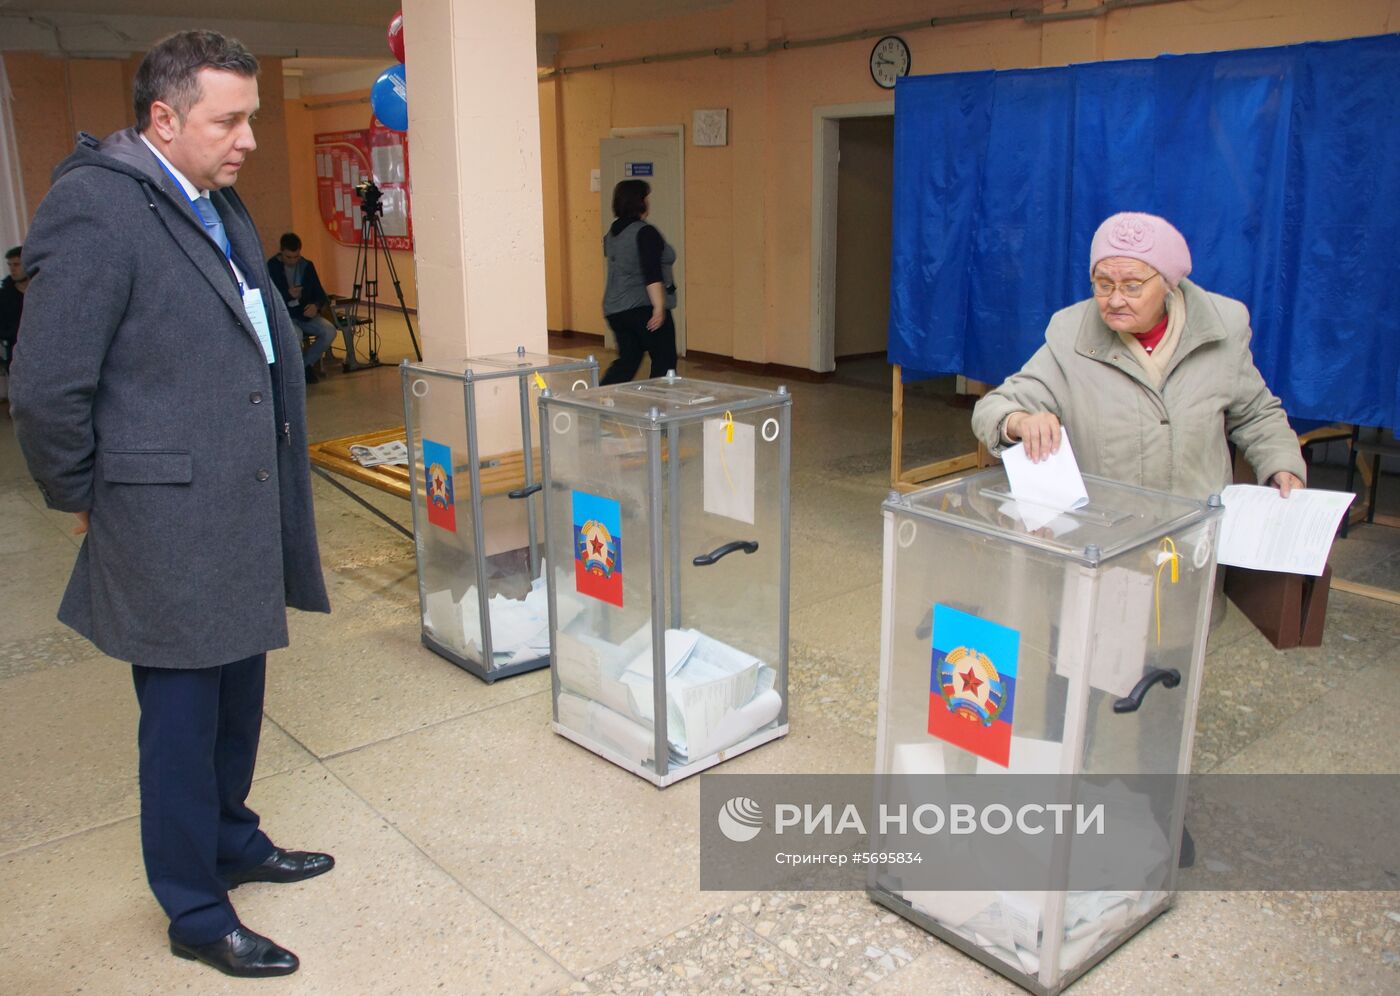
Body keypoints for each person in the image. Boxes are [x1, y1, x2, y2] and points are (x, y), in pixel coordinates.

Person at [10, 30, 332, 979]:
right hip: (165, 519)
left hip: (234, 507)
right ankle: (194, 909)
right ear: (163, 117)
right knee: (183, 724)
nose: (247, 140)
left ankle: (233, 838)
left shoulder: (209, 199)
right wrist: (79, 495)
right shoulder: (96, 209)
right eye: (229, 120)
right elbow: (45, 386)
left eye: (251, 119)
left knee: (238, 699)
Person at [971, 211, 1305, 500]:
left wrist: (1282, 465)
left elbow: (1257, 415)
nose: (1115, 300)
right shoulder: (1071, 337)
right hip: (1107, 540)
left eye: (1132, 286)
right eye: (1103, 285)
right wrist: (1019, 421)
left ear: (1169, 284)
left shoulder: (1219, 332)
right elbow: (993, 408)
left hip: (1194, 538)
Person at [600, 179, 678, 385]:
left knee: (628, 360)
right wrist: (659, 307)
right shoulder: (645, 232)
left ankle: (596, 400)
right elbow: (651, 272)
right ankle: (658, 408)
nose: (649, 202)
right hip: (642, 307)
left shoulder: (612, 233)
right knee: (665, 360)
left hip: (615, 309)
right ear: (640, 201)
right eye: (646, 198)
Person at [266, 231, 358, 381]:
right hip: (284, 316)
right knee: (296, 335)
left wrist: (315, 306)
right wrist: (288, 294)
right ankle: (293, 370)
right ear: (281, 252)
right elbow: (269, 297)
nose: (293, 261)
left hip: (305, 314)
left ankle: (303, 366)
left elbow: (320, 294)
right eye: (288, 257)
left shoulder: (306, 266)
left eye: (296, 257)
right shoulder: (272, 267)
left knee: (329, 331)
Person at [0, 245, 26, 392]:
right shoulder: (3, 296)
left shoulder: (44, 291)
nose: (12, 269)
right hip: (17, 354)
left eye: (16, 264)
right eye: (9, 265)